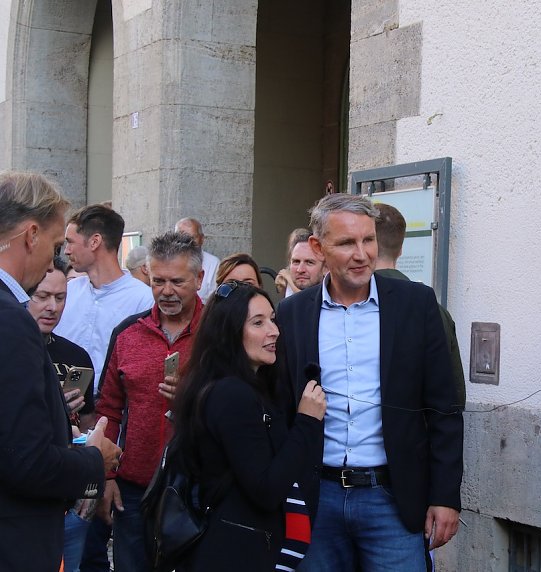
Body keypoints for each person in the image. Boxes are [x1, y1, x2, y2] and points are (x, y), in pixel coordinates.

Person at [276, 194, 464, 570]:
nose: (362, 254)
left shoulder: (416, 305)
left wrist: (445, 496)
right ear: (319, 247)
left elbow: (444, 408)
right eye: (347, 243)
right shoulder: (292, 313)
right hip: (317, 497)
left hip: (391, 499)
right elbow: (280, 406)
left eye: (369, 240)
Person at [0, 170, 121, 571]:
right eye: (55, 247)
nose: (57, 261)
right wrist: (93, 460)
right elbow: (25, 461)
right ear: (31, 235)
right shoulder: (11, 321)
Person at [170, 280, 326, 571]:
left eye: (272, 319)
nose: (274, 331)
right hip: (236, 552)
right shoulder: (232, 394)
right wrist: (306, 422)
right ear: (229, 333)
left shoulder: (246, 387)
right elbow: (267, 488)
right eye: (258, 322)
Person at [95, 231, 205, 572]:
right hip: (134, 491)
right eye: (158, 281)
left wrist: (195, 396)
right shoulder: (128, 333)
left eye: (177, 282)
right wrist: (107, 476)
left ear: (199, 279)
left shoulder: (219, 332)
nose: (166, 291)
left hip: (200, 488)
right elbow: (108, 410)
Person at [28, 255, 99, 571]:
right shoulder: (13, 349)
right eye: (42, 296)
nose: (52, 307)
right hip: (25, 501)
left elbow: (89, 424)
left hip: (70, 502)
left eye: (60, 297)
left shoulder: (76, 355)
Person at [374, 202, 467, 407]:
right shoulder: (435, 310)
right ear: (401, 250)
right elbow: (455, 395)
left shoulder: (352, 305)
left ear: (367, 246)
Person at [55, 204, 154, 392]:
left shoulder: (143, 300)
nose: (66, 250)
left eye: (70, 242)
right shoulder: (67, 292)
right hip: (60, 401)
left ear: (94, 242)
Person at [175, 217, 219, 301]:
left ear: (202, 239)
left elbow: (213, 300)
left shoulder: (213, 263)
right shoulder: (165, 261)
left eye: (192, 238)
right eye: (182, 237)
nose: (187, 242)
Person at [275, 228, 325, 297]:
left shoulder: (336, 301)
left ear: (326, 267)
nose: (300, 270)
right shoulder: (286, 303)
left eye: (309, 262)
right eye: (296, 262)